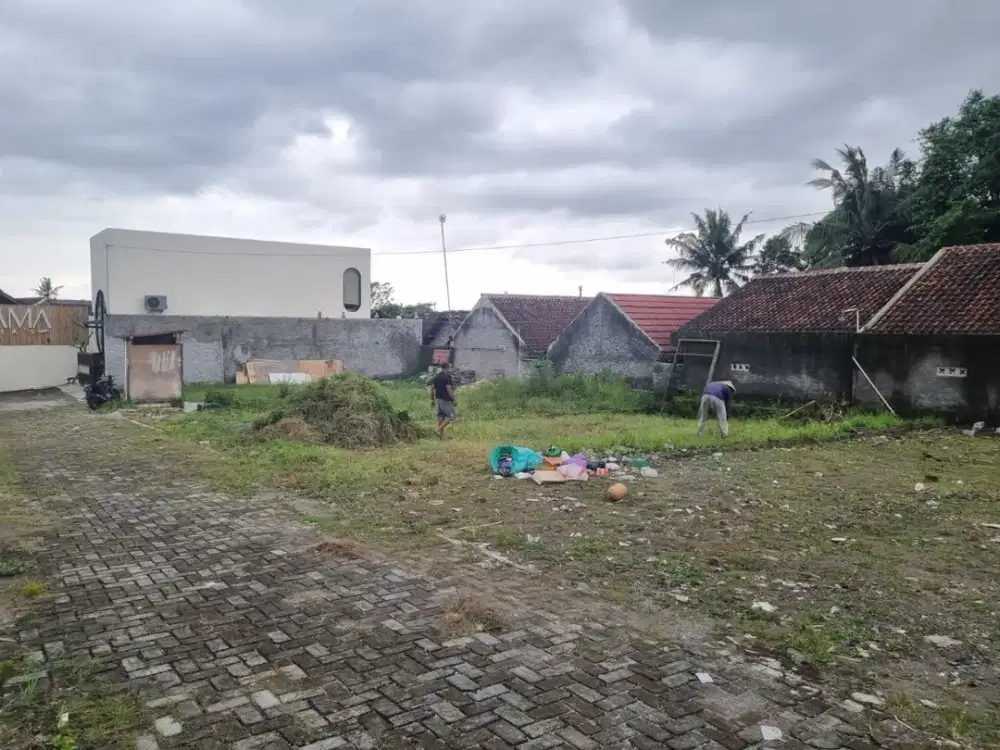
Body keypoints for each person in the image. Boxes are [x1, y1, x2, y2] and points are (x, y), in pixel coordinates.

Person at [430, 362, 456, 438]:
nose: (451, 369)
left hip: (438, 400)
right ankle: (437, 430)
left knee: (441, 417)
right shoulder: (447, 376)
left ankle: (440, 436)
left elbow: (432, 389)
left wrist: (432, 400)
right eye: (450, 368)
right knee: (451, 416)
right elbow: (449, 389)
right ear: (447, 368)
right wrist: (454, 399)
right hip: (446, 400)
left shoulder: (436, 377)